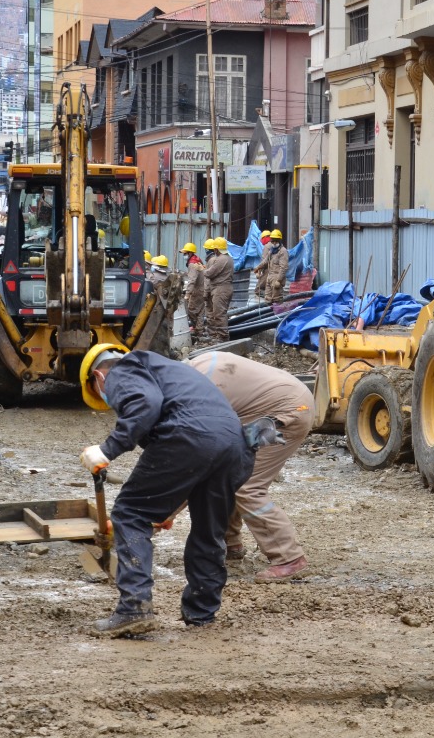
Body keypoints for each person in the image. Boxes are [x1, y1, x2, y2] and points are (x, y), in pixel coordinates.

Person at [78, 344, 251, 637]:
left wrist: (108, 450)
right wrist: (167, 505)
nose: (110, 401)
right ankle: (202, 612)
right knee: (209, 528)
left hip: (190, 435)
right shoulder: (169, 370)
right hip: (235, 443)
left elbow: (144, 403)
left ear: (98, 376)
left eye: (103, 396)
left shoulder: (124, 368)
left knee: (130, 513)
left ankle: (134, 609)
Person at [188, 351, 314, 582]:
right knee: (226, 472)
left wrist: (155, 516)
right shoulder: (195, 367)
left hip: (287, 412)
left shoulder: (196, 393)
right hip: (278, 402)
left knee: (246, 484)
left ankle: (289, 558)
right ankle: (229, 542)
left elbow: (194, 464)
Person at [203, 236, 233, 344]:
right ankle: (220, 336)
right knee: (221, 313)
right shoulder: (228, 258)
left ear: (216, 249)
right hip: (225, 288)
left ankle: (223, 338)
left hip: (221, 289)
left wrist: (202, 270)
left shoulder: (221, 259)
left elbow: (210, 273)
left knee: (219, 314)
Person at [181, 242, 208, 343]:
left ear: (190, 253)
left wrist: (187, 294)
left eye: (185, 253)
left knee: (191, 310)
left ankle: (197, 328)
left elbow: (192, 280)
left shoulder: (192, 264)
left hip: (197, 291)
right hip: (203, 288)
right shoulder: (197, 260)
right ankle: (199, 331)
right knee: (200, 311)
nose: (184, 255)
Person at [254, 230, 289, 304]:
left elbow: (284, 268)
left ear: (279, 241)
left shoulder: (283, 251)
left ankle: (277, 314)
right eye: (272, 241)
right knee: (268, 300)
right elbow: (265, 261)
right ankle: (268, 314)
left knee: (277, 300)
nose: (273, 243)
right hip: (270, 277)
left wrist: (279, 280)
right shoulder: (272, 251)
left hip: (276, 278)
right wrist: (258, 268)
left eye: (275, 241)